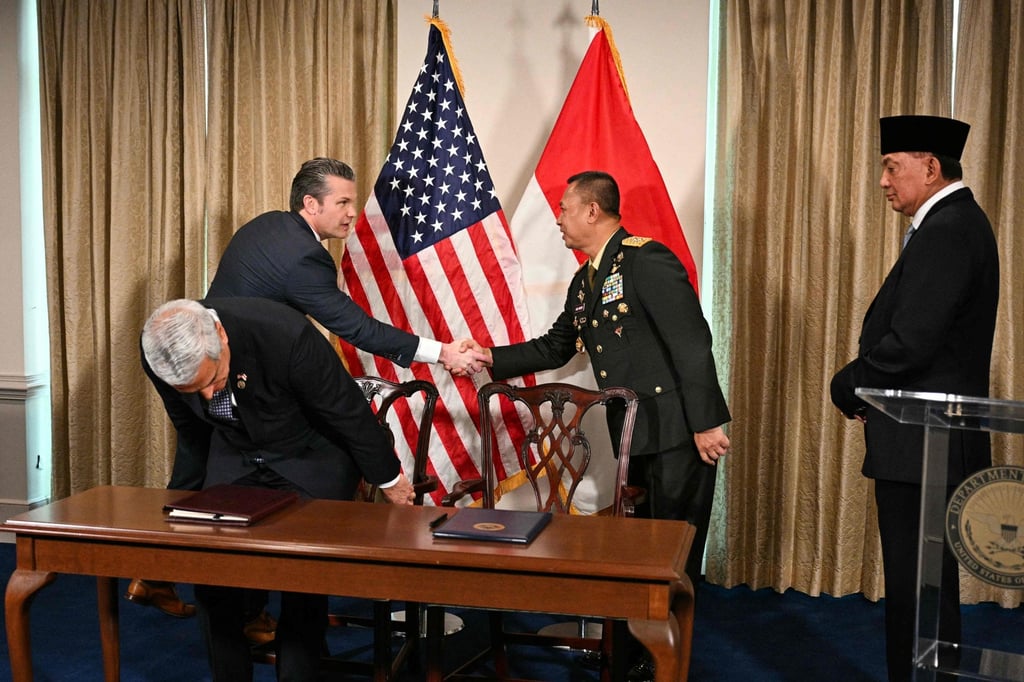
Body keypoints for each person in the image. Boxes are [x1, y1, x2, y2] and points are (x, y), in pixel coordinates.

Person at [127, 157, 489, 626]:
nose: (351, 213)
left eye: (352, 202)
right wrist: (442, 353)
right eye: (342, 202)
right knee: (277, 469)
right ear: (310, 204)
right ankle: (243, 601)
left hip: (219, 376)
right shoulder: (301, 258)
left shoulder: (267, 228)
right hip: (244, 383)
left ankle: (170, 576)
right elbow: (356, 327)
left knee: (199, 455)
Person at [466, 170, 731, 588]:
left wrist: (705, 422)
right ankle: (638, 640)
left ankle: (670, 648)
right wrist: (488, 357)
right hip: (636, 430)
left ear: (592, 210)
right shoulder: (586, 279)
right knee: (646, 547)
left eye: (564, 208)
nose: (558, 218)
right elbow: (556, 345)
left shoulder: (645, 260)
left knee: (674, 548)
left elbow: (692, 343)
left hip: (678, 428)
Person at [141, 297, 414, 681]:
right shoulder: (157, 350)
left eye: (214, 380)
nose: (207, 396)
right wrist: (181, 500)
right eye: (193, 389)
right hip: (235, 453)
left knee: (301, 575)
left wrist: (390, 480)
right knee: (209, 573)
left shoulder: (284, 334)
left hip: (310, 453)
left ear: (220, 335)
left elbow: (347, 411)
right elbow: (192, 432)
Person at [830, 115, 999, 682]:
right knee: (924, 586)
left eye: (890, 166)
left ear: (930, 167)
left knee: (918, 585)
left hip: (927, 440)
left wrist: (849, 381)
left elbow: (912, 341)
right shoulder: (953, 223)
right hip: (926, 438)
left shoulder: (949, 228)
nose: (882, 180)